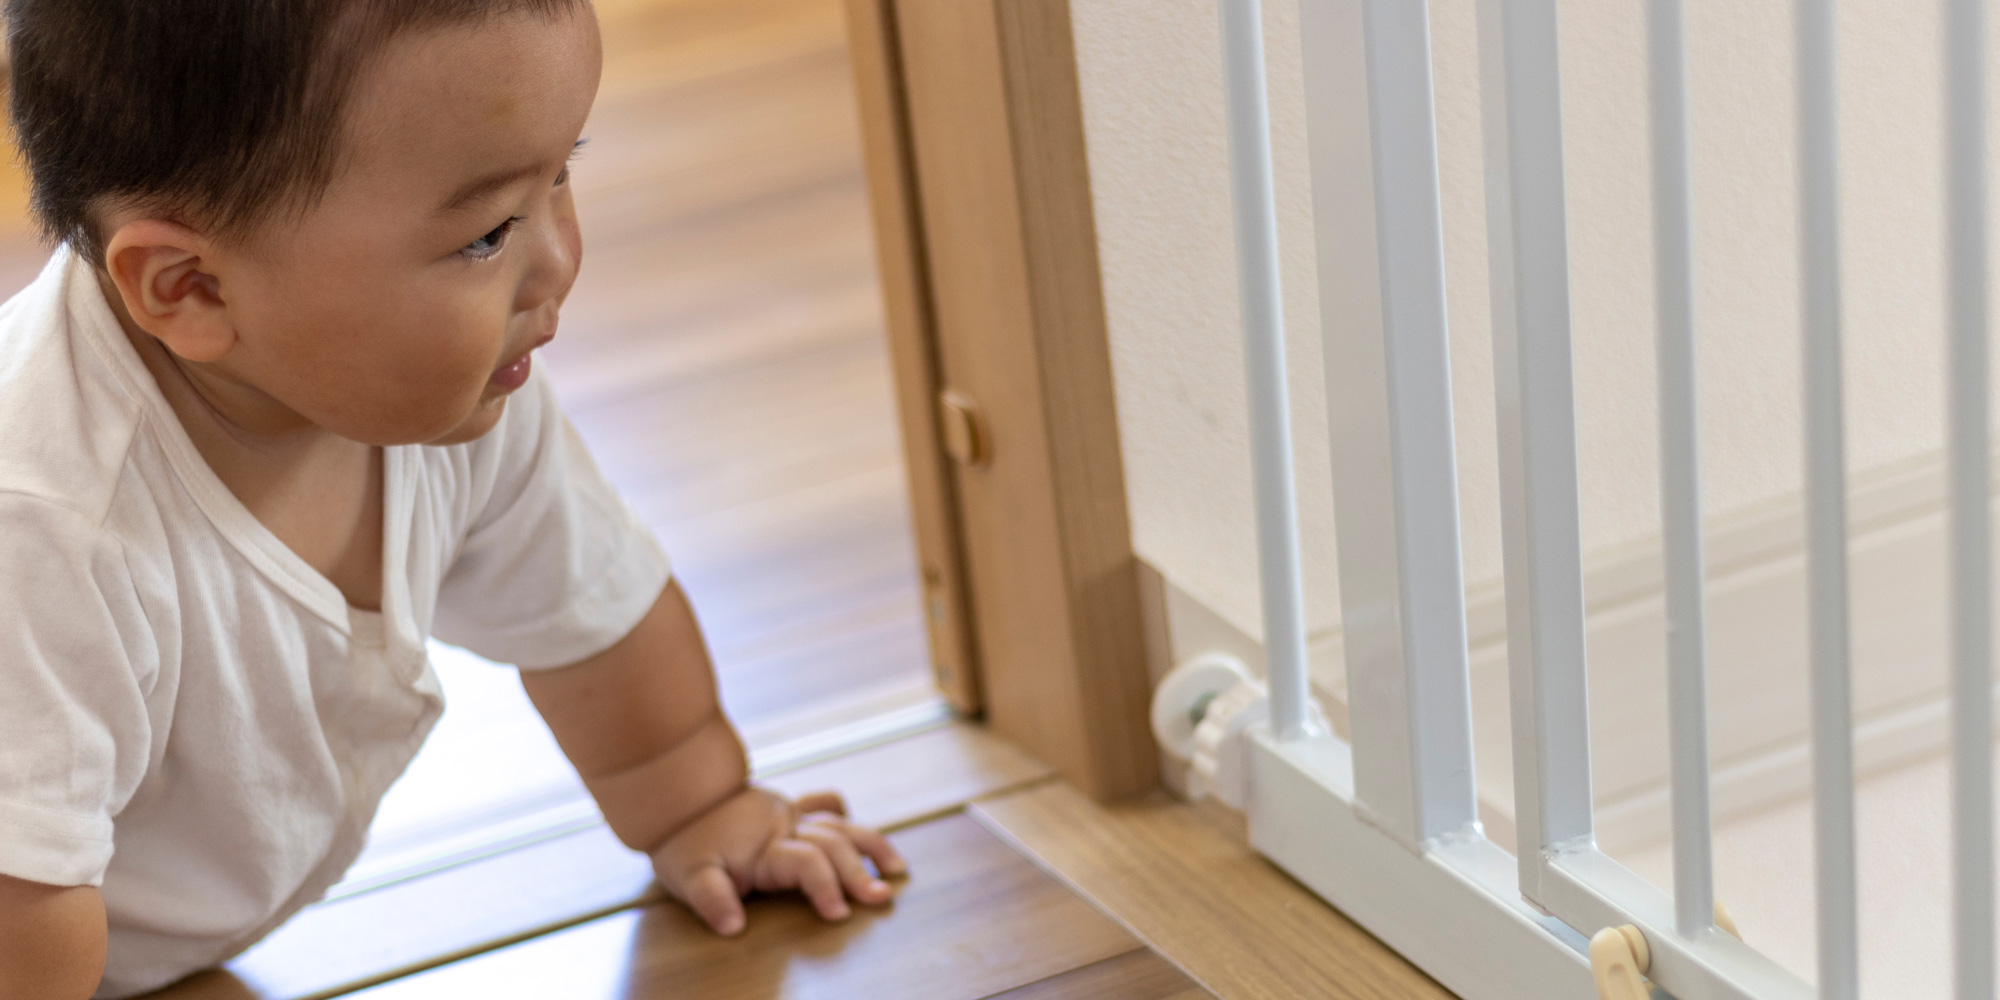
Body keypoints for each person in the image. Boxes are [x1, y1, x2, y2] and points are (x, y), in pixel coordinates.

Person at [0, 2, 907, 996]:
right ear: (192, 289)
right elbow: (19, 909)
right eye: (486, 233)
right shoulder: (43, 529)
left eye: (560, 172)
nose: (556, 258)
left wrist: (702, 809)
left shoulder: (454, 394)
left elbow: (598, 615)